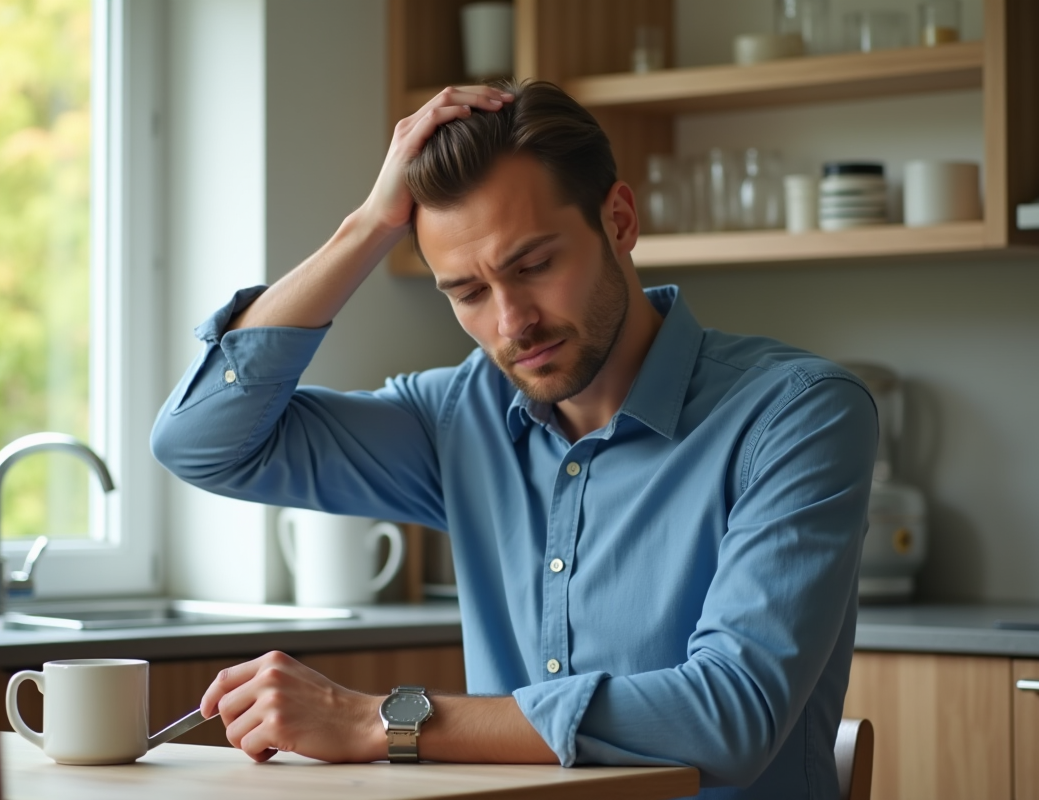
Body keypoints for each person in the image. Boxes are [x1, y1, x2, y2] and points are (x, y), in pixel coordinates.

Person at [150, 79, 877, 799]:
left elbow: (729, 716)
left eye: (533, 266)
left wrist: (378, 721)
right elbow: (202, 441)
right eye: (468, 292)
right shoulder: (458, 418)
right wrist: (369, 225)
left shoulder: (795, 414)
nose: (510, 323)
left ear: (619, 221)